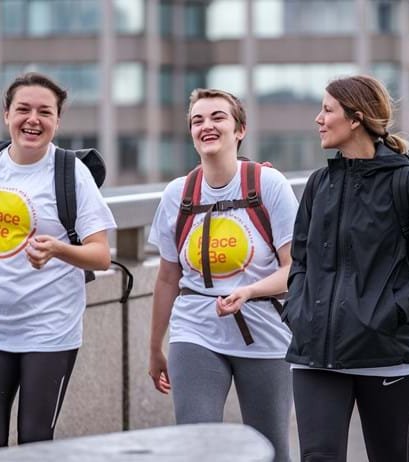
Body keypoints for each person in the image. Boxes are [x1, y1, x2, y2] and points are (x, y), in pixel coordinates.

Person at [0, 72, 116, 451]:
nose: (33, 119)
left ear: (57, 121)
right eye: (23, 109)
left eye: (45, 112)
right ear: (6, 114)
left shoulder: (70, 173)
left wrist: (58, 249)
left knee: (34, 443)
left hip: (49, 331)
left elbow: (101, 254)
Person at [148, 88, 298, 462]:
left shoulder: (268, 185)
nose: (207, 126)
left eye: (218, 117)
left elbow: (294, 269)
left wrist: (248, 292)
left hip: (263, 332)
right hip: (195, 330)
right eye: (197, 120)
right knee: (196, 448)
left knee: (271, 448)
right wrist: (154, 347)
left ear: (240, 129)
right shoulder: (176, 195)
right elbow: (168, 277)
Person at [284, 74, 409, 462]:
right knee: (318, 456)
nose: (318, 119)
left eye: (327, 110)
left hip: (387, 352)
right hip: (316, 353)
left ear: (356, 118)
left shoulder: (406, 184)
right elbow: (301, 261)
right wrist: (299, 311)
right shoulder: (318, 185)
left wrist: (390, 312)